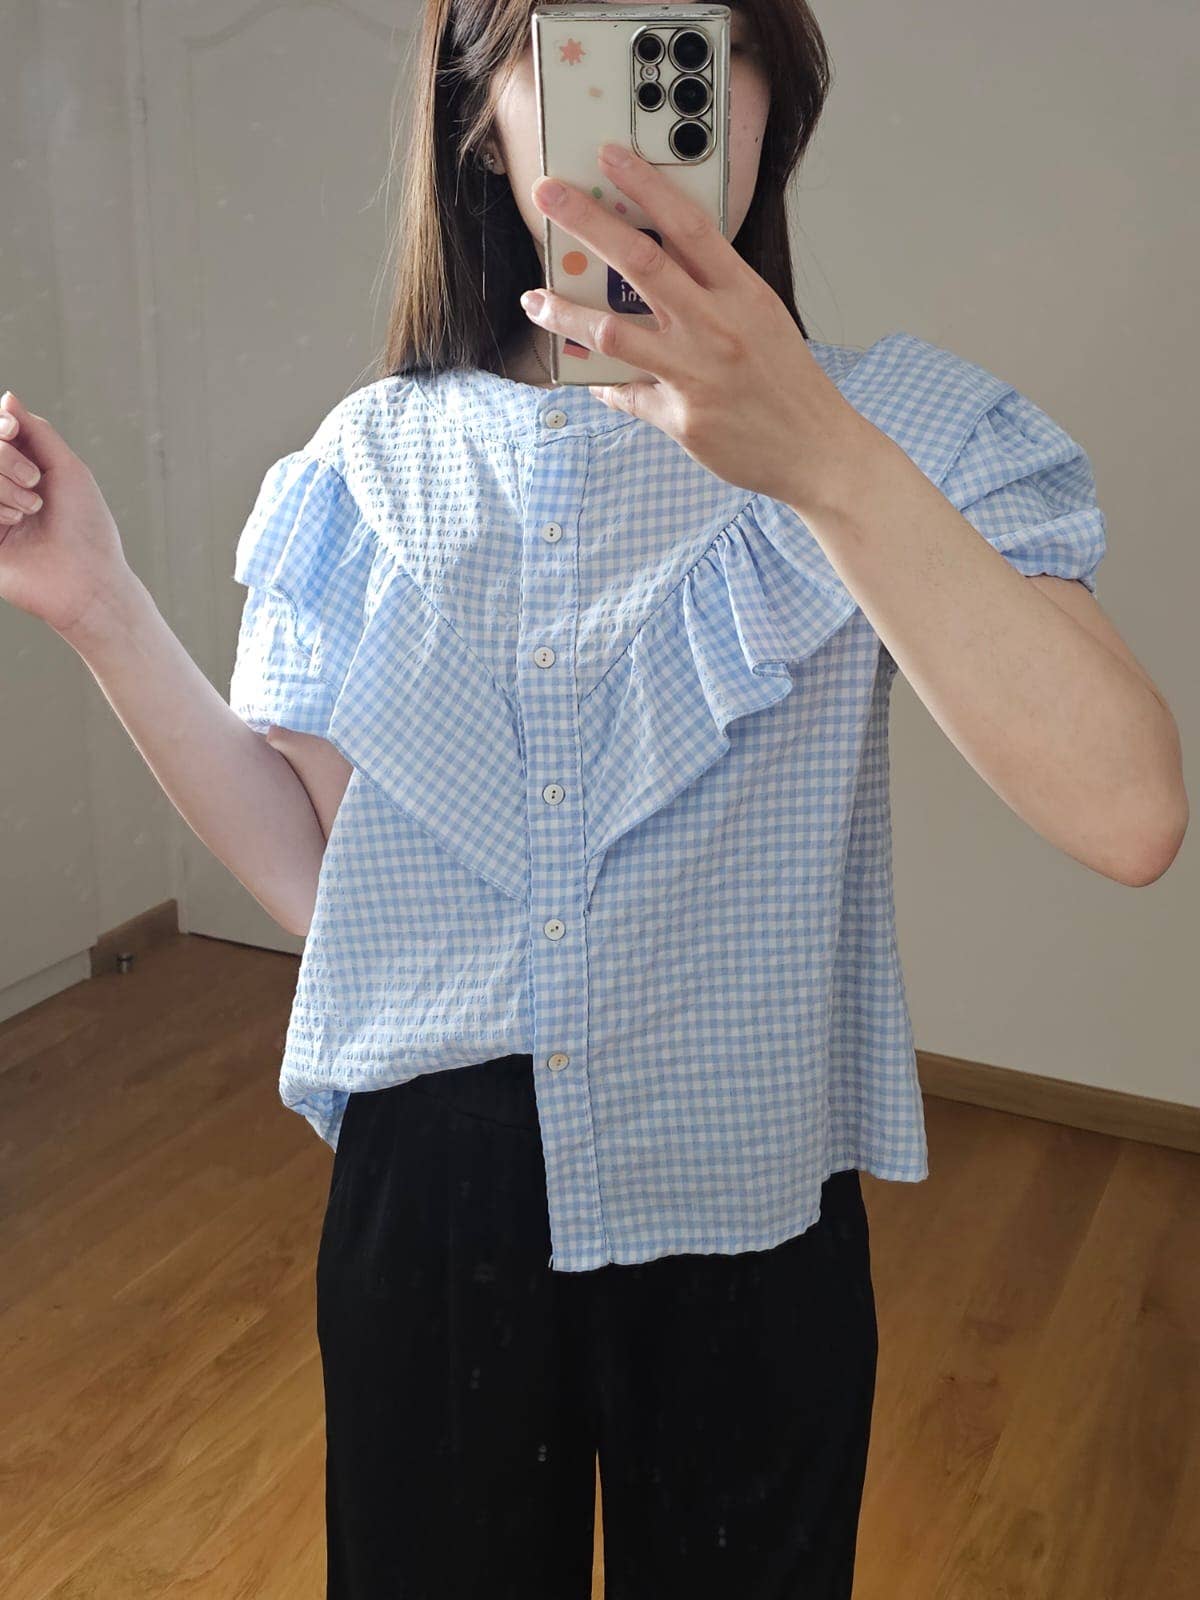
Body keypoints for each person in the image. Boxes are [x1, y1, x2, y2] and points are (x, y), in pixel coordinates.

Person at [0, 2, 1185, 1597]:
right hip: (432, 1204)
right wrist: (94, 600)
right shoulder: (372, 463)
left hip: (749, 1192)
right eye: (577, 35)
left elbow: (1128, 811)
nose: (639, 85)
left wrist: (820, 458)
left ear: (769, 92)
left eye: (692, 33)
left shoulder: (904, 432)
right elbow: (330, 885)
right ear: (484, 116)